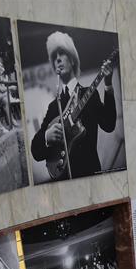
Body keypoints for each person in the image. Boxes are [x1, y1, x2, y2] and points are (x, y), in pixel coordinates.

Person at [30, 31, 118, 178]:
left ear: (72, 60)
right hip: (63, 180)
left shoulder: (89, 95)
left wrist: (108, 85)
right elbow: (35, 151)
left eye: (62, 54)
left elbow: (109, 125)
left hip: (90, 174)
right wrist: (47, 136)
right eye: (54, 57)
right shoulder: (53, 107)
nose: (57, 59)